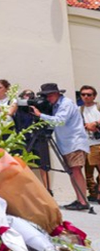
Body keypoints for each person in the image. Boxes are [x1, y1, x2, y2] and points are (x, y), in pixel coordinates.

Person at [31, 83, 91, 211]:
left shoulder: (66, 104)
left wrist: (40, 115)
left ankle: (82, 201)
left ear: (57, 93)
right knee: (72, 172)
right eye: (46, 96)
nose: (48, 99)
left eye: (49, 95)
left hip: (74, 142)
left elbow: (60, 120)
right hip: (67, 143)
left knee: (76, 170)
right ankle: (80, 199)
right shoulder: (56, 105)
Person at [14, 89, 53, 192]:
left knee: (43, 164)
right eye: (27, 94)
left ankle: (47, 189)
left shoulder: (39, 107)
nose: (29, 97)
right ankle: (28, 189)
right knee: (26, 164)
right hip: (25, 139)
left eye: (31, 95)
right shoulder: (20, 109)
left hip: (39, 138)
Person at [80, 85, 100, 203]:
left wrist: (95, 123)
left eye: (89, 94)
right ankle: (93, 193)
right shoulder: (80, 109)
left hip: (97, 142)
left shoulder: (97, 107)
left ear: (94, 96)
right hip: (85, 143)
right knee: (88, 172)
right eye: (83, 94)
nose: (86, 97)